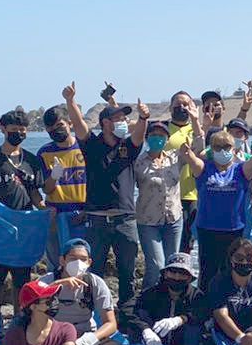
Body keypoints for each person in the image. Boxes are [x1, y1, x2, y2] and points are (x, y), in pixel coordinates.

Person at [64, 84, 141, 307]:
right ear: (105, 123)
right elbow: (79, 126)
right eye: (117, 119)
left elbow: (139, 132)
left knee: (128, 271)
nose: (123, 122)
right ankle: (92, 312)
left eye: (123, 119)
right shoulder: (92, 145)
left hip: (125, 219)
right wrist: (70, 101)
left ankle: (126, 313)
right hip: (97, 220)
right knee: (94, 270)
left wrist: (144, 117)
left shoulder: (128, 146)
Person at [183, 122, 252, 292]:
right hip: (208, 229)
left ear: (234, 149)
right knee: (207, 272)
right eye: (218, 147)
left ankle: (228, 306)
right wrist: (188, 153)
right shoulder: (205, 169)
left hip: (234, 230)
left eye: (227, 146)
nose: (223, 150)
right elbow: (193, 161)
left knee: (230, 271)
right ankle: (205, 310)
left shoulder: (240, 170)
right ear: (212, 150)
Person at [0, 109, 45, 313]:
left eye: (22, 130)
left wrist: (44, 211)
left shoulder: (32, 160)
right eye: (14, 129)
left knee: (22, 278)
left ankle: (19, 317)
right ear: (3, 129)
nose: (19, 133)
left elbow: (35, 193)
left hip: (23, 229)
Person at [41, 237, 120, 345]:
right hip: (54, 336)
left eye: (83, 259)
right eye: (73, 258)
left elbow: (110, 323)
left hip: (83, 336)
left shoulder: (95, 283)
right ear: (62, 260)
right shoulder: (47, 280)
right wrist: (57, 285)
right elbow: (28, 306)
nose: (78, 263)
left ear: (89, 262)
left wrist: (91, 338)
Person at [133, 116, 184, 294]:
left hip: (174, 218)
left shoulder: (175, 158)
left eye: (162, 135)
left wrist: (199, 122)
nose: (158, 139)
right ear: (147, 138)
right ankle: (146, 301)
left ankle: (167, 301)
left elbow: (198, 150)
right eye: (153, 135)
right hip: (148, 220)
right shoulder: (138, 162)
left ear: (167, 139)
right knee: (156, 264)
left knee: (172, 265)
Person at [37, 103, 88, 272]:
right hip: (56, 214)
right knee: (56, 264)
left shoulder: (85, 148)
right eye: (50, 127)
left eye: (60, 125)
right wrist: (54, 176)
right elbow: (46, 189)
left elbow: (96, 183)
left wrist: (88, 209)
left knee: (83, 261)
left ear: (70, 124)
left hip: (83, 213)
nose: (55, 130)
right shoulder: (44, 153)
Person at [131, 251, 206, 345]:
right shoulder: (151, 293)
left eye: (182, 273)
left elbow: (204, 312)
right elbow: (128, 308)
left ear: (190, 277)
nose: (177, 277)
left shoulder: (197, 296)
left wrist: (181, 319)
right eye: (173, 271)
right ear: (165, 274)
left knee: (194, 328)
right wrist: (145, 329)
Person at [167, 90, 201, 253]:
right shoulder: (161, 130)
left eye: (185, 104)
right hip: (167, 195)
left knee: (186, 244)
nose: (181, 107)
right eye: (177, 104)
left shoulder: (197, 130)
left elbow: (202, 147)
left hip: (191, 196)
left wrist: (196, 120)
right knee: (169, 245)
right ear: (170, 108)